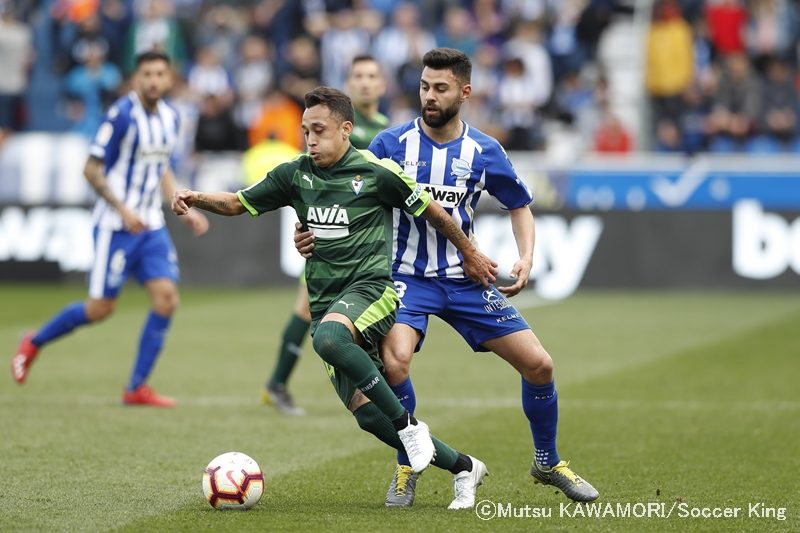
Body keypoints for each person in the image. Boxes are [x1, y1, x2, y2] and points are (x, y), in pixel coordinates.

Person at [295, 48, 599, 507]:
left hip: (465, 278)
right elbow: (346, 198)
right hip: (403, 279)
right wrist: (311, 235)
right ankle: (406, 463)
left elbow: (520, 205)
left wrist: (526, 256)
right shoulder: (391, 145)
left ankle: (547, 461)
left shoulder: (484, 150)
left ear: (465, 91)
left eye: (440, 88)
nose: (429, 96)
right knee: (394, 362)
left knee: (540, 365)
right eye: (423, 87)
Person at [172, 86, 495, 509]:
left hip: (372, 291)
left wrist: (469, 252)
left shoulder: (377, 173)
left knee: (326, 339)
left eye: (319, 130)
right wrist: (196, 196)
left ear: (346, 130)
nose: (310, 140)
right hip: (327, 300)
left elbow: (433, 211)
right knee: (368, 416)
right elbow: (238, 203)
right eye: (305, 131)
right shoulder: (295, 174)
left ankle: (409, 428)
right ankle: (464, 467)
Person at [11, 50, 209, 407]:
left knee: (166, 299)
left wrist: (182, 207)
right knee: (101, 308)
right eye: (146, 73)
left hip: (150, 225)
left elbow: (161, 165)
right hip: (115, 227)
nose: (152, 80)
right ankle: (34, 341)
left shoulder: (170, 117)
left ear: (169, 79)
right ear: (136, 78)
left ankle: (136, 387)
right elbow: (91, 168)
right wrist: (123, 209)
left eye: (159, 74)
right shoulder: (120, 115)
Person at [261, 55, 389, 415]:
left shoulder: (385, 130)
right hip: (330, 238)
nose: (365, 82)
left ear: (382, 85)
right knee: (306, 307)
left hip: (367, 242)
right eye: (358, 75)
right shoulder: (332, 126)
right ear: (349, 84)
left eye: (372, 75)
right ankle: (278, 383)